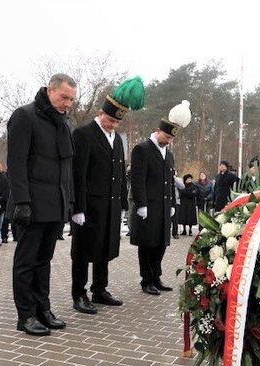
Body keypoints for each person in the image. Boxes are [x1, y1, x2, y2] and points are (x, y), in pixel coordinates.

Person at [7, 73, 77, 336]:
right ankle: (25, 316)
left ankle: (42, 309)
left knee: (44, 261)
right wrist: (22, 202)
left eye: (71, 99)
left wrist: (68, 201)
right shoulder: (24, 116)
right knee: (26, 262)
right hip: (31, 206)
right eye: (64, 97)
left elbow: (66, 167)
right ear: (50, 90)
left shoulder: (62, 123)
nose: (68, 103)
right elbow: (16, 163)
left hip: (54, 206)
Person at [71, 77, 144, 314]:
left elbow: (120, 174)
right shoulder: (84, 133)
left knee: (104, 248)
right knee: (83, 251)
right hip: (89, 205)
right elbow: (78, 173)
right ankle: (79, 293)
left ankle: (99, 289)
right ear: (101, 113)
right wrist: (78, 208)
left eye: (116, 122)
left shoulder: (117, 141)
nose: (113, 125)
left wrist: (122, 201)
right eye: (110, 119)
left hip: (110, 205)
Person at [130, 100, 191, 295]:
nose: (168, 141)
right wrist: (141, 204)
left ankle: (156, 277)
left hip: (164, 206)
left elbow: (171, 181)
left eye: (171, 139)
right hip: (148, 206)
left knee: (161, 244)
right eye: (166, 136)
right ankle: (146, 280)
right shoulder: (142, 149)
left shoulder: (169, 154)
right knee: (147, 244)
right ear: (158, 131)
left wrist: (172, 203)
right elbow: (138, 179)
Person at [0, 161, 9, 246]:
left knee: (0, 223)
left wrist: (2, 198)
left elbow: (7, 189)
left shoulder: (4, 176)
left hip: (2, 204)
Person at [172, 170, 185, 239]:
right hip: (166, 200)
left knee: (175, 218)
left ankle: (175, 232)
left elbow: (182, 186)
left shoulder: (178, 179)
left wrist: (174, 178)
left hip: (176, 200)